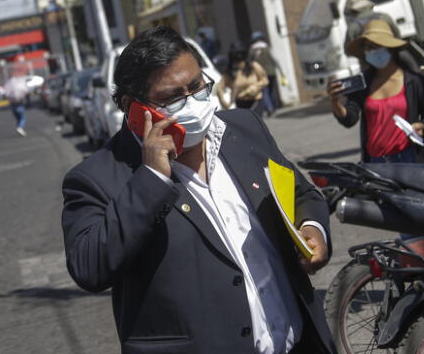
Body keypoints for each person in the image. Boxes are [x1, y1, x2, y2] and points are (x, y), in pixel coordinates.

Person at [61, 26, 336, 354]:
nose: (192, 102)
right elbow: (89, 267)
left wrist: (312, 230)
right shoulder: (98, 177)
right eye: (172, 97)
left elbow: (301, 194)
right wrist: (150, 178)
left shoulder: (245, 129)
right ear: (133, 109)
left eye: (196, 87)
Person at [328, 19, 424, 164]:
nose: (371, 51)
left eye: (376, 46)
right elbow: (349, 119)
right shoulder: (363, 83)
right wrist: (335, 101)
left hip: (409, 157)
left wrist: (423, 126)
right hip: (376, 161)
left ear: (389, 48)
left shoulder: (414, 81)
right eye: (367, 48)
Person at [249, 31, 285, 116]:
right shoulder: (267, 47)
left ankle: (270, 108)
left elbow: (250, 62)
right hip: (271, 72)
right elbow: (275, 59)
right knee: (271, 90)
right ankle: (273, 106)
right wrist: (281, 71)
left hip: (259, 74)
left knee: (264, 91)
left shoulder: (252, 50)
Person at [228, 41, 269, 112]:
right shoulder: (231, 69)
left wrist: (254, 87)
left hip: (255, 101)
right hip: (240, 103)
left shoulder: (253, 66)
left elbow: (265, 81)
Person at [3, 67, 30, 137]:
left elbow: (6, 93)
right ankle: (20, 127)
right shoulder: (20, 83)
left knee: (18, 118)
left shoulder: (9, 83)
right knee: (22, 118)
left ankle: (19, 127)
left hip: (12, 104)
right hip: (19, 104)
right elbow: (26, 91)